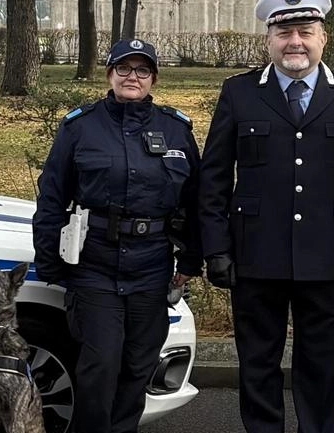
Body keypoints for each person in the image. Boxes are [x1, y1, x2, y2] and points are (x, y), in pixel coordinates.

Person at [198, 0, 334, 433]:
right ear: (268, 40)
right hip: (256, 255)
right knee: (257, 362)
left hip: (329, 258)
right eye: (284, 33)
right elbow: (214, 177)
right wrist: (216, 247)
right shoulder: (239, 93)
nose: (294, 41)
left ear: (324, 37)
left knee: (321, 366)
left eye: (304, 30)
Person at [32, 39, 202, 433]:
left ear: (154, 78)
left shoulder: (175, 130)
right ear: (109, 74)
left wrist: (191, 259)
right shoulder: (81, 126)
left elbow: (196, 201)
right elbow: (52, 198)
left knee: (138, 366)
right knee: (100, 366)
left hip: (152, 266)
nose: (132, 77)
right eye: (124, 69)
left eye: (143, 70)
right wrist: (50, 263)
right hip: (96, 265)